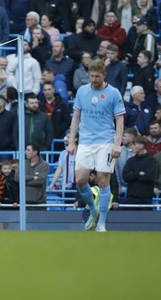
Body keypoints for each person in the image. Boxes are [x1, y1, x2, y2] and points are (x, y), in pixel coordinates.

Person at [67, 60, 125, 232]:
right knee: (80, 180)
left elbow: (119, 120)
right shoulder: (82, 91)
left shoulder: (113, 93)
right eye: (91, 76)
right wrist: (72, 140)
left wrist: (117, 143)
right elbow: (76, 116)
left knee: (102, 180)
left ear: (104, 75)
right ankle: (93, 209)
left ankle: (102, 223)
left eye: (97, 76)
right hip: (85, 141)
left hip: (105, 142)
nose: (93, 79)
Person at [123, 135, 157, 209]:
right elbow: (125, 176)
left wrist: (133, 175)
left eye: (134, 144)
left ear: (141, 145)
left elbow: (150, 177)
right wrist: (138, 173)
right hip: (131, 196)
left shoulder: (151, 161)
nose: (132, 147)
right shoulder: (130, 160)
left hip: (146, 197)